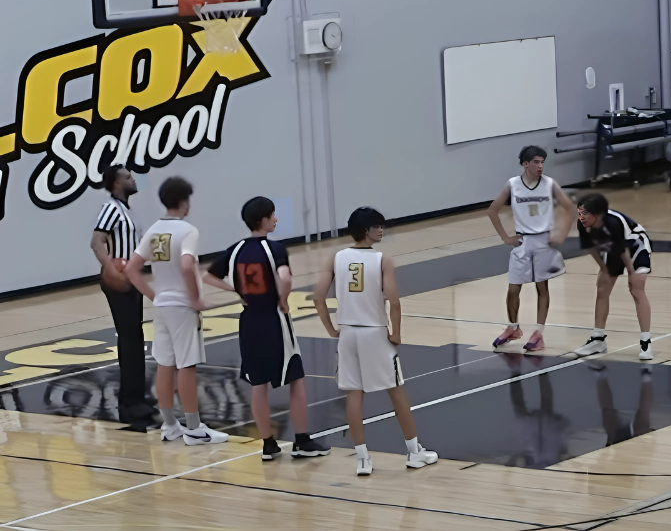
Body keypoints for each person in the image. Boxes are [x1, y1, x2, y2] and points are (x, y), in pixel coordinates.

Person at [314, 207, 438, 476]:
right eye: (377, 226)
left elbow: (318, 297)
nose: (381, 230)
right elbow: (393, 300)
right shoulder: (383, 260)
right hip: (374, 333)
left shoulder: (335, 258)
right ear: (366, 230)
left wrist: (331, 329)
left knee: (353, 395)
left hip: (347, 334)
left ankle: (362, 458)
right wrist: (397, 333)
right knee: (396, 391)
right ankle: (414, 452)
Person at [204, 196, 330, 461]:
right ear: (262, 219)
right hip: (274, 319)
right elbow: (285, 278)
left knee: (258, 384)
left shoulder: (235, 250)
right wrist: (283, 300)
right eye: (272, 215)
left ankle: (268, 445)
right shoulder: (275, 249)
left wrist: (237, 291)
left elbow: (208, 276)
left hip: (249, 321)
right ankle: (301, 441)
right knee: (295, 378)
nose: (276, 219)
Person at [125, 177, 229, 445]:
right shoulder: (188, 231)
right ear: (184, 201)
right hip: (182, 307)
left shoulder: (154, 230)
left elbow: (131, 268)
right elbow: (186, 265)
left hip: (162, 306)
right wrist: (195, 299)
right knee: (186, 365)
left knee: (165, 364)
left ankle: (170, 425)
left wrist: (153, 296)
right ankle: (194, 429)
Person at [489, 146, 576, 352]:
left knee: (542, 288)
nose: (540, 166)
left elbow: (571, 207)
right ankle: (513, 327)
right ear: (525, 163)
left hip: (543, 241)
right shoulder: (512, 185)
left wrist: (561, 234)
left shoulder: (549, 184)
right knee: (513, 288)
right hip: (522, 242)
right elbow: (493, 210)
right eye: (536, 162)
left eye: (542, 162)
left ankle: (538, 333)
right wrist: (505, 237)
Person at [90, 164, 154, 424]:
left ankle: (137, 397)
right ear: (116, 183)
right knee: (129, 340)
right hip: (119, 280)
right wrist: (111, 270)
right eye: (128, 177)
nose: (134, 179)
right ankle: (129, 403)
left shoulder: (126, 209)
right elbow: (96, 242)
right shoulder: (110, 209)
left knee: (135, 338)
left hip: (132, 279)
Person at [573, 193, 654, 361]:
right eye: (579, 212)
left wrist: (631, 272)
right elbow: (592, 249)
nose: (581, 216)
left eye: (585, 213)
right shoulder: (582, 224)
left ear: (598, 214)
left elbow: (623, 250)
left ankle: (646, 341)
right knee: (602, 287)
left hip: (635, 244)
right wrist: (604, 269)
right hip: (613, 249)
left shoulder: (612, 223)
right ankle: (598, 339)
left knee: (636, 288)